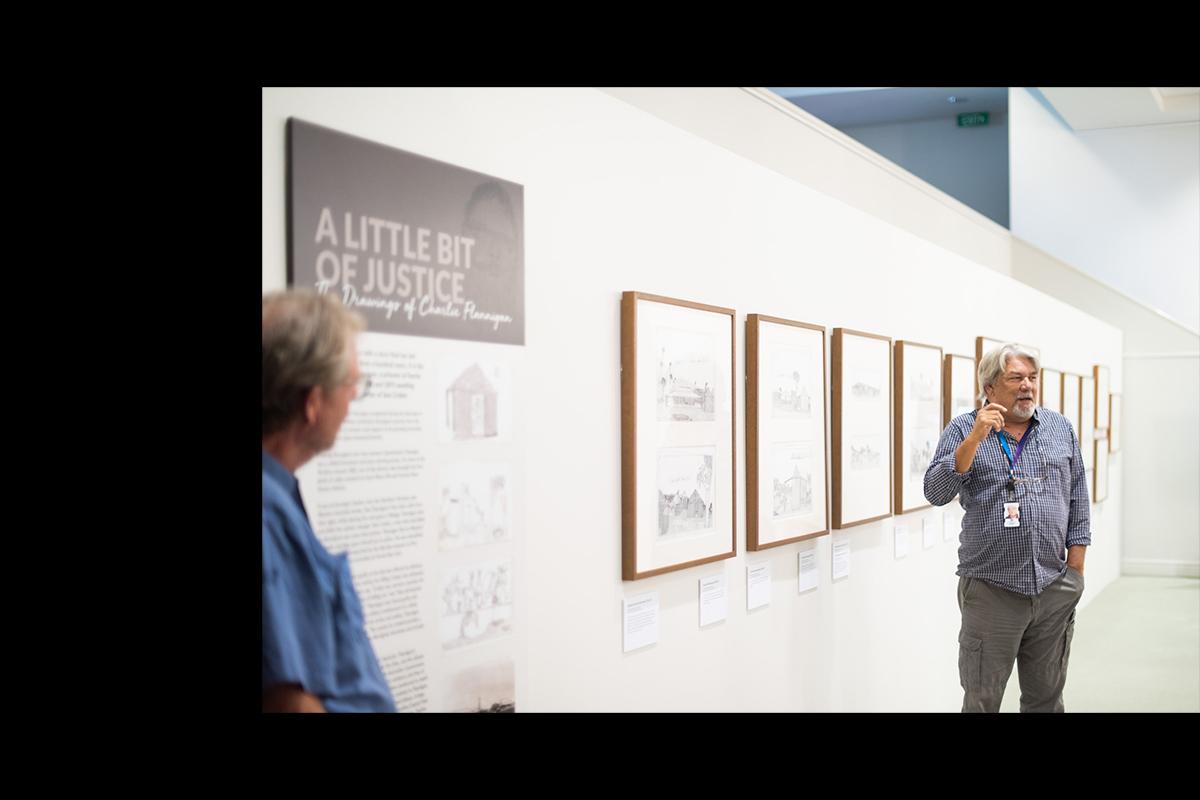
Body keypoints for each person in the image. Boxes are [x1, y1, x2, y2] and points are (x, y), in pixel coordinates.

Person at [924, 343, 1090, 712]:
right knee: (983, 700)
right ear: (990, 388)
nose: (1027, 386)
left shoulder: (1059, 428)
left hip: (1053, 585)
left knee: (1046, 698)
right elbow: (935, 491)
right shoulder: (964, 429)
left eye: (1032, 378)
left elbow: (1078, 493)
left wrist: (1075, 568)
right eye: (1016, 378)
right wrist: (973, 440)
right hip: (991, 590)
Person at [262, 289, 396, 712]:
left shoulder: (278, 496)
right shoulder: (267, 514)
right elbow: (285, 701)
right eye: (350, 382)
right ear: (313, 401)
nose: (353, 396)